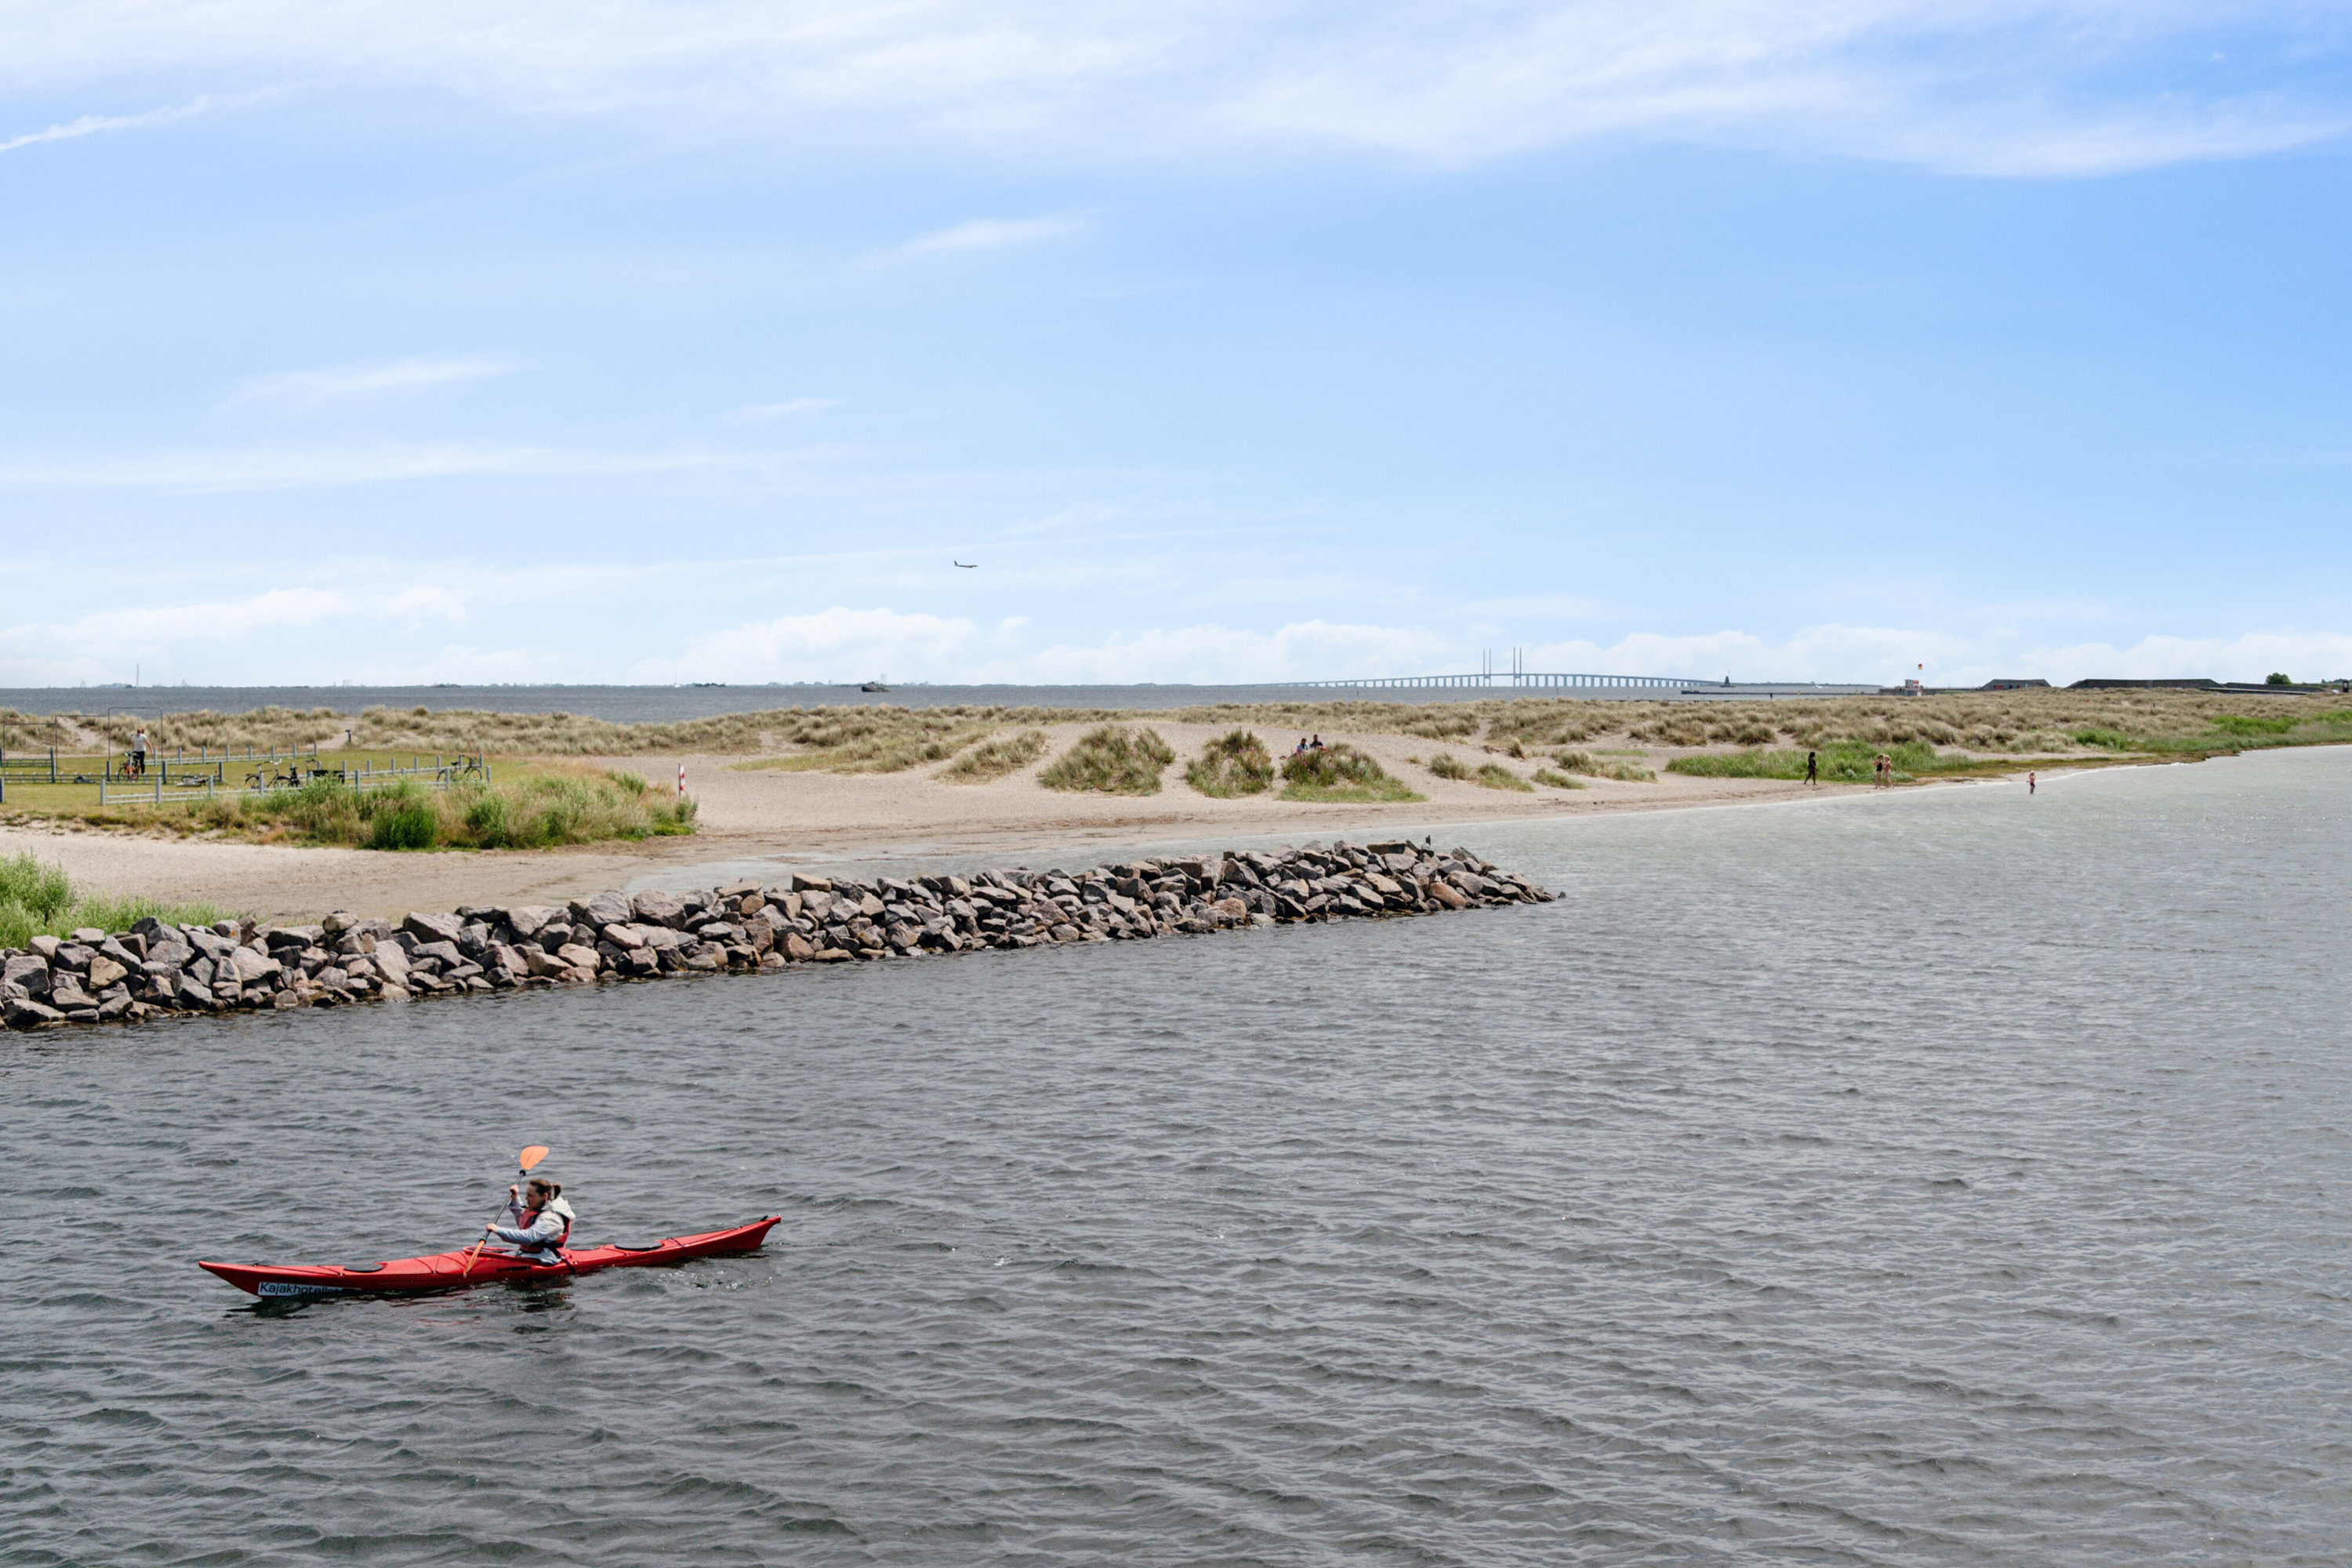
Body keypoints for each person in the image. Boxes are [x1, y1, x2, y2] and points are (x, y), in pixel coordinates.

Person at [483, 1176, 575, 1265]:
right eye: (527, 1195)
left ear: (544, 1196)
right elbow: (523, 1220)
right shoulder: (540, 1209)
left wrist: (498, 1230)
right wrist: (515, 1198)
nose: (526, 1199)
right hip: (530, 1255)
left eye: (530, 1196)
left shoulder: (551, 1218)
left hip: (545, 1259)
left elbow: (529, 1237)